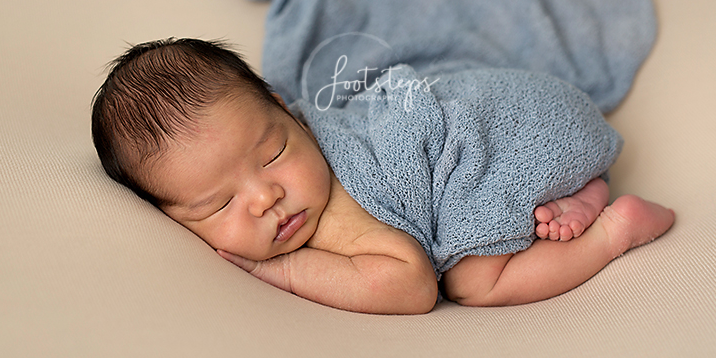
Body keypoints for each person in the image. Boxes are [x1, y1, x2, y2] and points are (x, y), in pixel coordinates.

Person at [92, 38, 674, 314]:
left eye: (273, 154)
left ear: (282, 105)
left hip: (503, 132)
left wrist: (292, 268)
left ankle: (612, 229)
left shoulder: (338, 208)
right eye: (218, 204)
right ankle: (581, 187)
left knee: (474, 283)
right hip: (535, 111)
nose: (266, 197)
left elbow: (412, 285)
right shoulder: (280, 174)